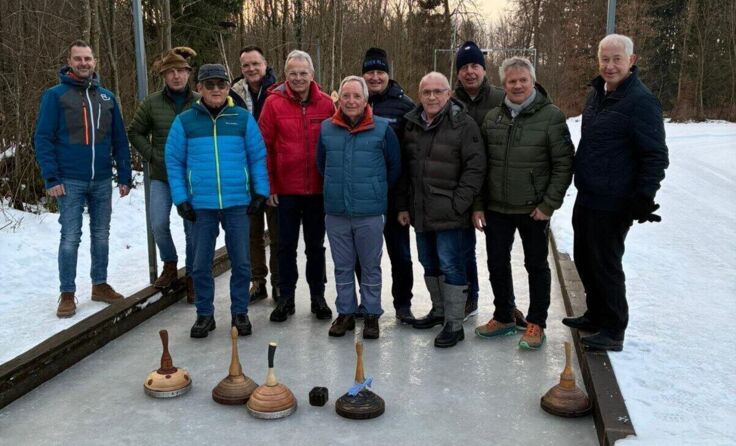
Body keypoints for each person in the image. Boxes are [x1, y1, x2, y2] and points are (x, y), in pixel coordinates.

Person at [563, 34, 669, 351]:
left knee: (606, 264)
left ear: (631, 61)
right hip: (589, 194)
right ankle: (595, 314)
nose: (610, 66)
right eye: (605, 59)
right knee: (585, 259)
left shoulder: (641, 101)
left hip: (615, 200)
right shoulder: (597, 94)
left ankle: (613, 328)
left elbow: (655, 155)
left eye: (617, 59)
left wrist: (644, 195)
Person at [472, 57, 574, 350]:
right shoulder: (493, 118)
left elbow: (564, 164)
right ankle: (504, 315)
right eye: (511, 81)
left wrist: (549, 204)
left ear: (533, 81)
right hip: (497, 208)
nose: (517, 85)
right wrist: (478, 204)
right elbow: (480, 166)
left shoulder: (551, 117)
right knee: (496, 263)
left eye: (522, 80)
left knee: (536, 265)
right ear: (503, 84)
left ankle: (536, 322)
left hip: (533, 210)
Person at [165, 64, 270, 338]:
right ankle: (204, 314)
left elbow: (257, 157)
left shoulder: (242, 118)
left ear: (228, 88)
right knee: (200, 264)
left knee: (242, 262)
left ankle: (240, 312)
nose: (216, 90)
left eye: (221, 84)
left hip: (237, 203)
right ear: (199, 88)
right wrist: (181, 198)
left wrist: (260, 192)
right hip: (201, 205)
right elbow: (174, 162)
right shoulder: (185, 121)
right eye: (209, 84)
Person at [34, 40, 131, 318]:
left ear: (95, 61)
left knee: (101, 235)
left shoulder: (107, 98)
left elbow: (119, 139)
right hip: (69, 179)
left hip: (101, 179)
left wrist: (124, 174)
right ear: (70, 62)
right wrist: (51, 177)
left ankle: (99, 284)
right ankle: (67, 292)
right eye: (78, 59)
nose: (83, 63)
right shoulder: (56, 96)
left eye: (87, 58)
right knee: (70, 237)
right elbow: (43, 138)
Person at [397, 72, 486, 348]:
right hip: (421, 211)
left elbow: (475, 167)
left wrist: (459, 203)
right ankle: (439, 310)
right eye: (427, 92)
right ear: (420, 95)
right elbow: (405, 169)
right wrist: (404, 205)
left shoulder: (464, 124)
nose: (432, 97)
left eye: (438, 91)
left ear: (448, 94)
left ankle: (454, 323)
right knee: (429, 262)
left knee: (451, 264)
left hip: (451, 213)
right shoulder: (411, 124)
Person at [317, 76, 401, 340]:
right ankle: (346, 312)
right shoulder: (327, 129)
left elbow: (394, 166)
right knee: (342, 266)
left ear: (366, 100)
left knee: (370, 265)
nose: (351, 101)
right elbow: (322, 164)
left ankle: (372, 312)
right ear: (339, 99)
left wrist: (375, 189)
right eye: (346, 96)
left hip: (370, 212)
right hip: (337, 211)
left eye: (357, 96)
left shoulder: (382, 129)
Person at [258, 50, 336, 322]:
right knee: (284, 246)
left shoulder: (326, 104)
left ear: (312, 75)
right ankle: (286, 297)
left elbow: (335, 145)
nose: (298, 78)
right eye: (293, 73)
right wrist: (269, 185)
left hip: (317, 189)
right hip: (285, 190)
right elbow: (264, 147)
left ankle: (318, 296)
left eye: (303, 73)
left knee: (316, 246)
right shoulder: (273, 104)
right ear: (285, 75)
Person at [128, 46, 199, 302]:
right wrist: (152, 155)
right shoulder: (152, 103)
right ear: (164, 76)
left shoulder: (200, 101)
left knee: (193, 227)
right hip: (162, 175)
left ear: (188, 73)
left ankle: (193, 275)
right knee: (158, 223)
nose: (176, 76)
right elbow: (134, 132)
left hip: (192, 177)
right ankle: (169, 264)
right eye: (171, 72)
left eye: (181, 71)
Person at [358, 47, 416, 324]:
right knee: (364, 256)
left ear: (388, 74)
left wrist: (405, 201)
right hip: (363, 197)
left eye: (380, 72)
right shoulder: (353, 102)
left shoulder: (405, 106)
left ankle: (403, 304)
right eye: (370, 72)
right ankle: (367, 302)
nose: (375, 77)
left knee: (400, 255)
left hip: (394, 196)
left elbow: (410, 157)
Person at [452, 40, 505, 323]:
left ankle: (506, 306)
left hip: (496, 188)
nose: (470, 72)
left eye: (475, 66)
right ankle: (469, 298)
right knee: (463, 250)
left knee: (499, 254)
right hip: (463, 188)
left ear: (484, 70)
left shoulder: (501, 98)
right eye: (464, 67)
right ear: (458, 72)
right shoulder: (450, 102)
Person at [231, 46, 279, 303]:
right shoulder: (232, 94)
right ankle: (257, 280)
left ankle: (279, 282)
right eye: (246, 65)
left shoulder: (278, 92)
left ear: (265, 64)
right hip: (244, 173)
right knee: (252, 232)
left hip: (272, 171)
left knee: (278, 232)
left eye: (255, 64)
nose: (251, 69)